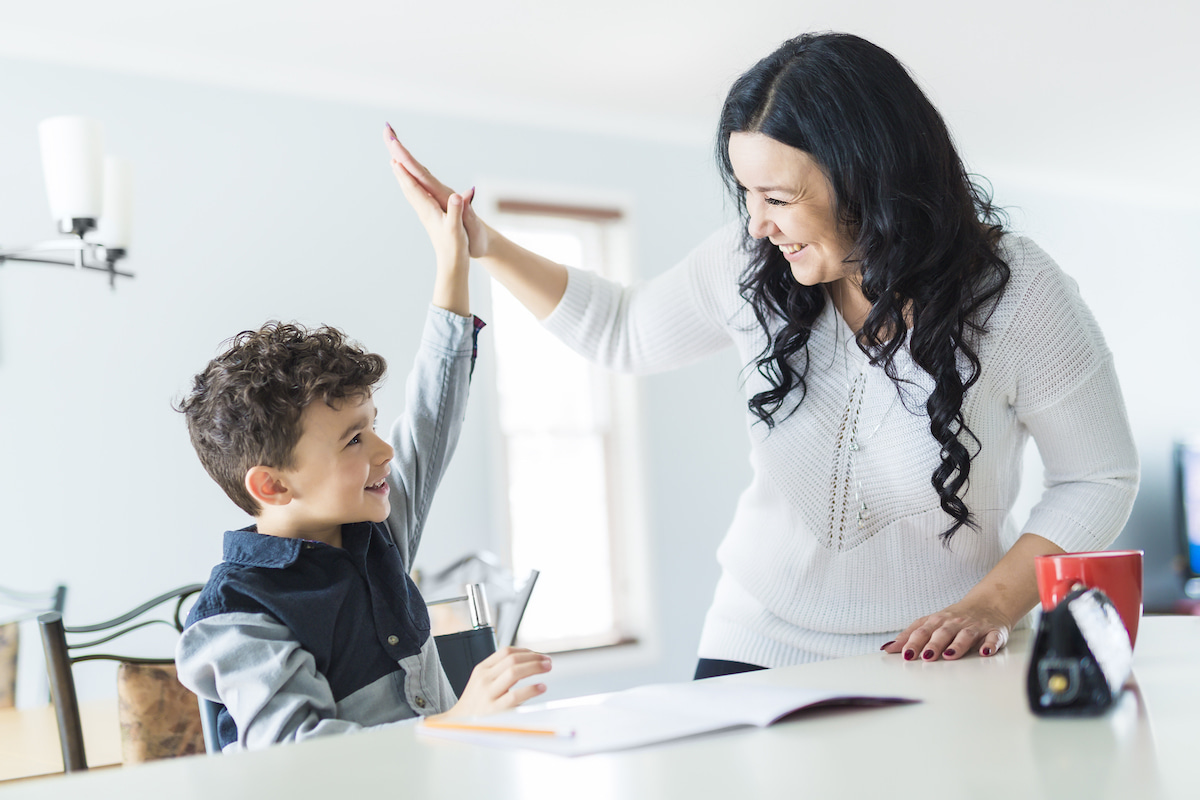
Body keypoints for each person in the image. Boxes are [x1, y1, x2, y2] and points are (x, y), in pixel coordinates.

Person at [385, 32, 1139, 677]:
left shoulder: (1017, 292)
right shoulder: (748, 270)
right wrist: (484, 245)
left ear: (867, 180)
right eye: (746, 194)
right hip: (757, 643)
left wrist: (992, 604)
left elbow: (1098, 476)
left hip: (938, 654)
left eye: (777, 198)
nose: (757, 225)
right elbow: (622, 329)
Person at [174, 150, 551, 750]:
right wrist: (461, 720)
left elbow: (431, 415)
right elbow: (304, 761)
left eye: (372, 424)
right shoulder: (235, 613)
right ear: (272, 485)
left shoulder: (369, 528)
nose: (386, 449)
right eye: (355, 437)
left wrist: (452, 261)